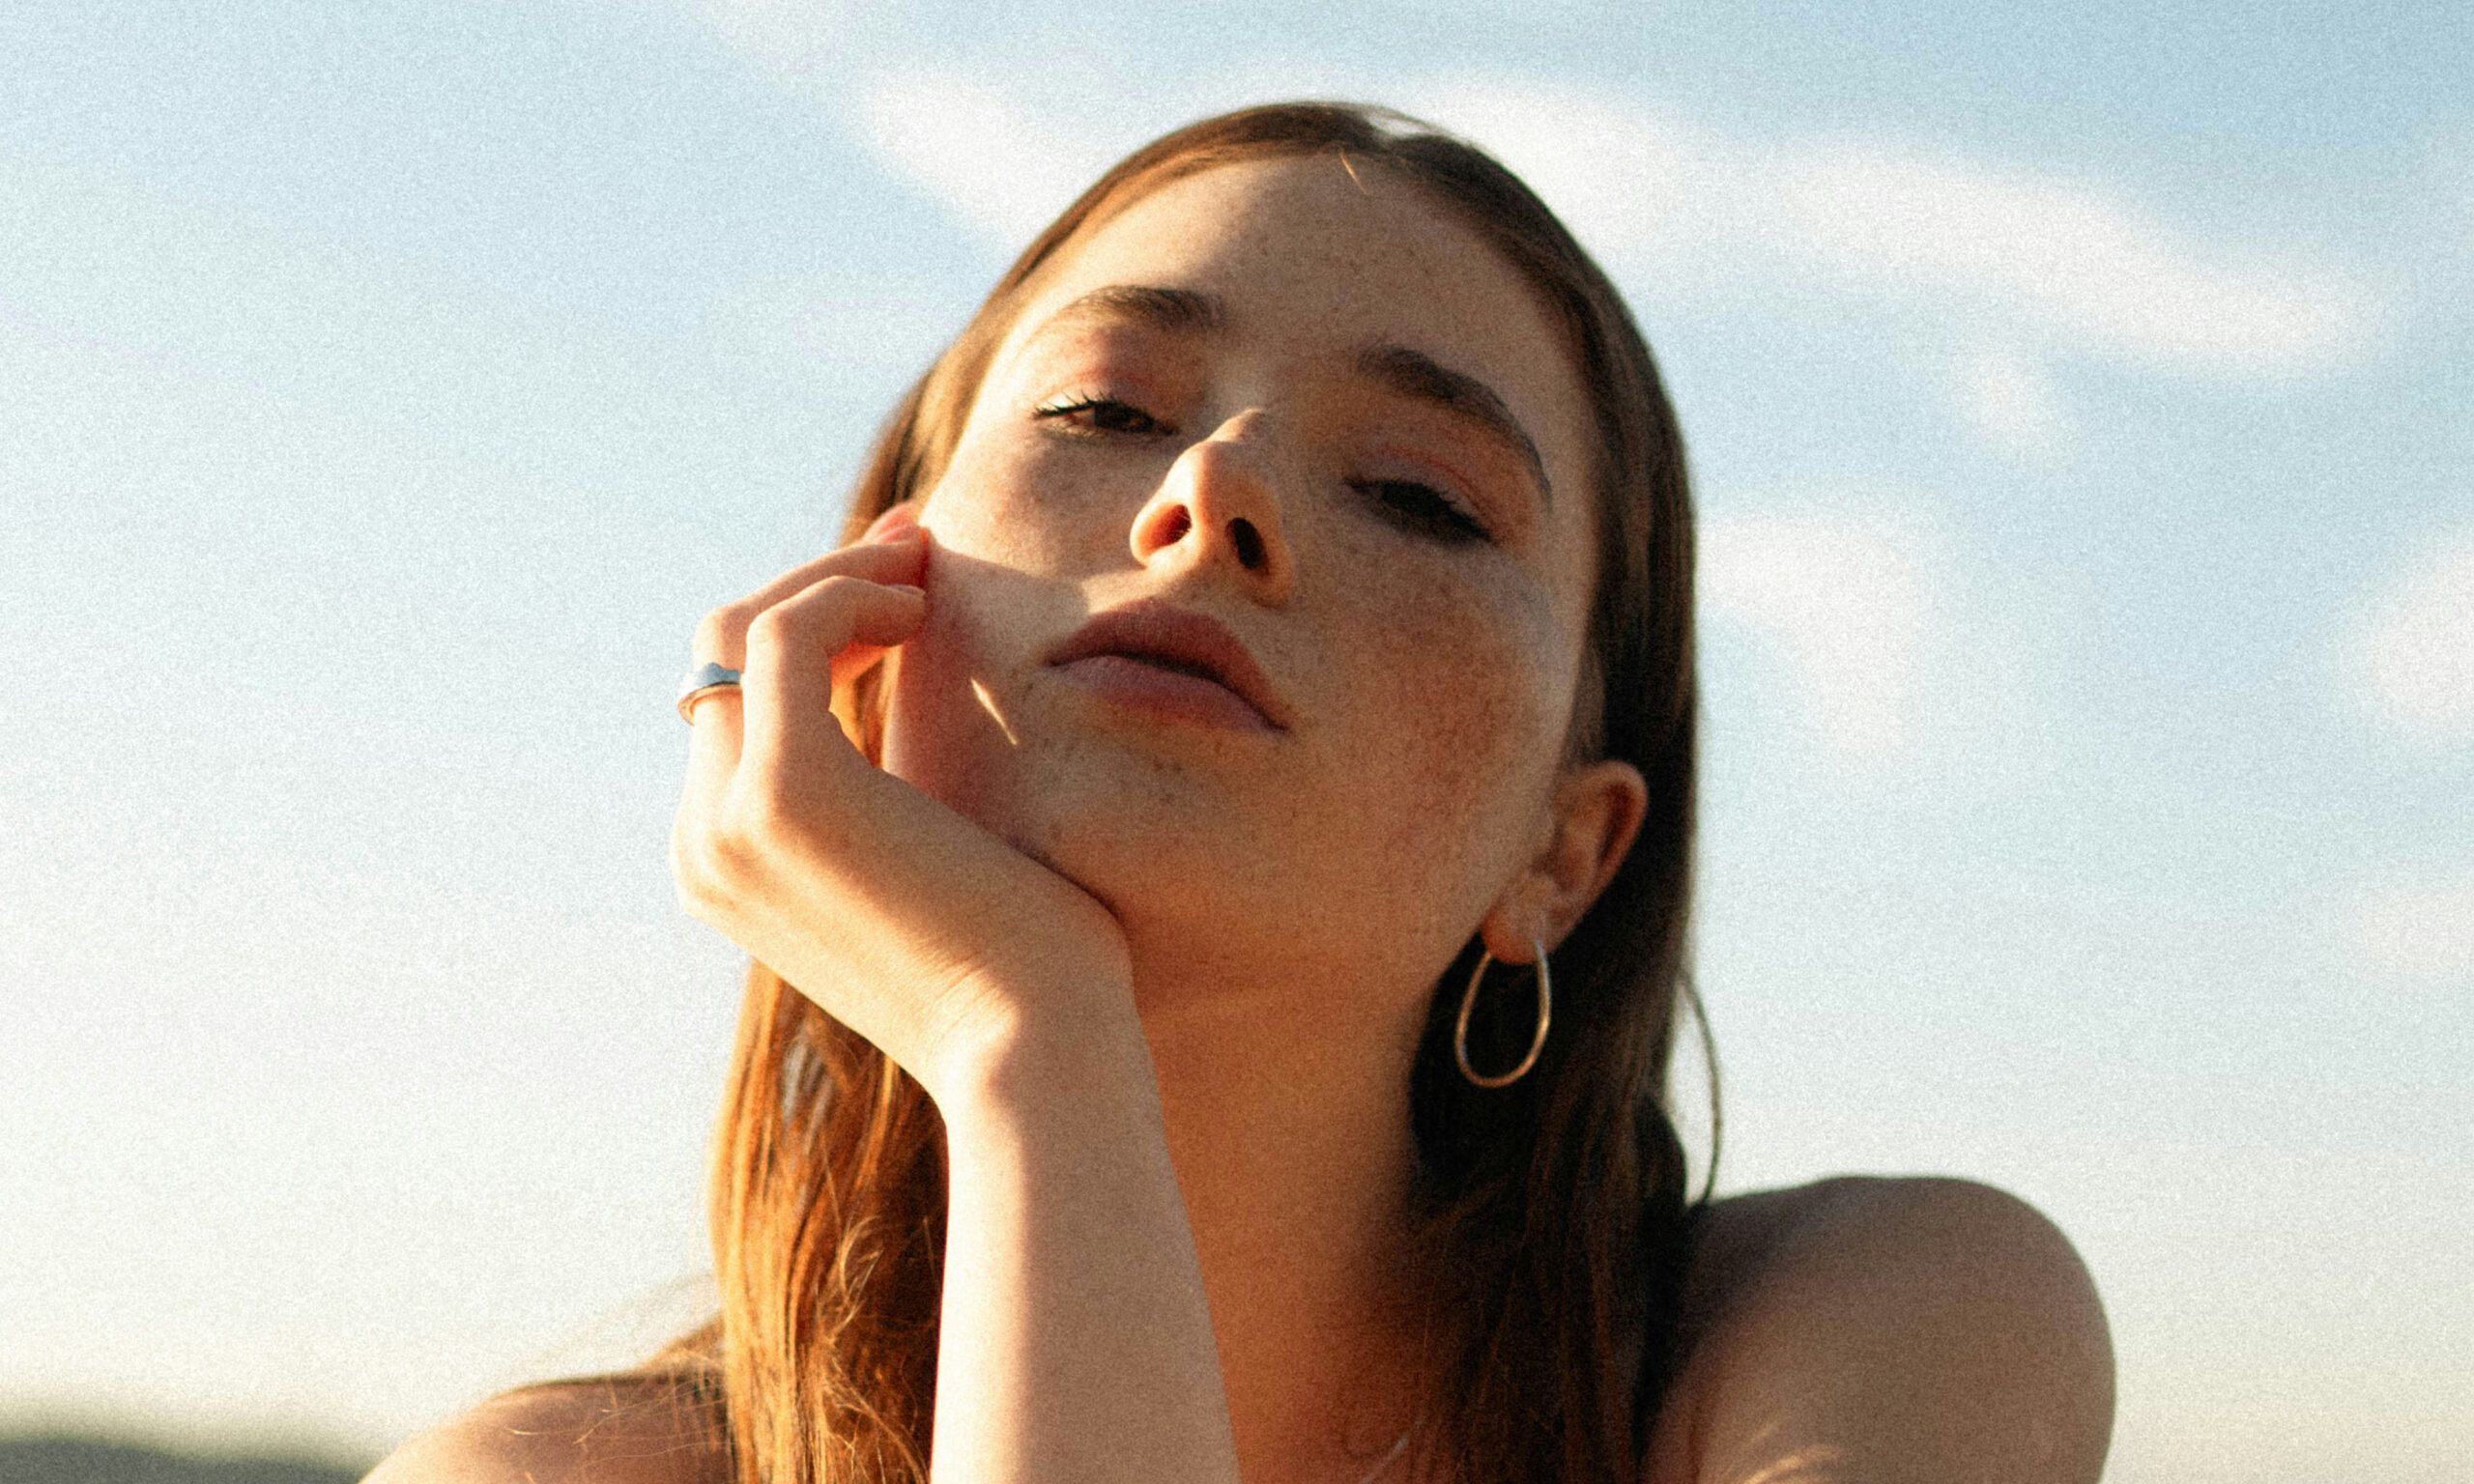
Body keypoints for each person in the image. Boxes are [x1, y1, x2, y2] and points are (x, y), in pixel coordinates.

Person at [366, 102, 2114, 1484]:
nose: (1217, 489)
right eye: (1100, 406)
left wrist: (1027, 1032)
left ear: (1564, 855)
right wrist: (1027, 1030)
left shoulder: (1862, 1340)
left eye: (1425, 496)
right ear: (863, 629)